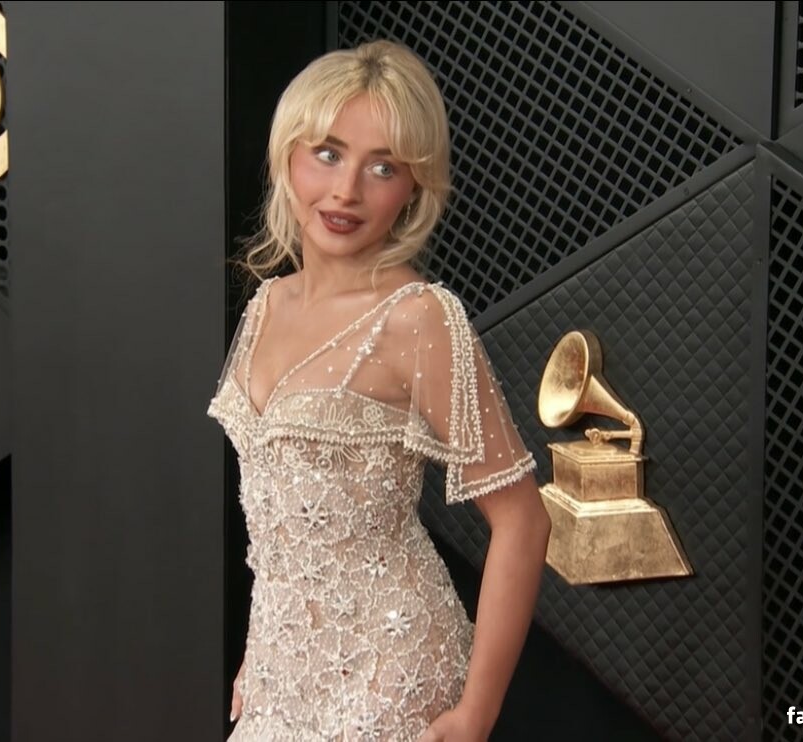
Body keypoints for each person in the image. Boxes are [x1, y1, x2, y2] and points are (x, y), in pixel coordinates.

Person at [207, 40, 552, 742]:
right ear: (287, 156)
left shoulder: (418, 318)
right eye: (328, 154)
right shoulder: (266, 304)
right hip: (282, 672)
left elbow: (523, 520)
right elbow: (279, 526)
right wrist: (264, 649)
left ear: (413, 188)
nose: (346, 191)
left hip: (392, 670)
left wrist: (476, 715)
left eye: (383, 167)